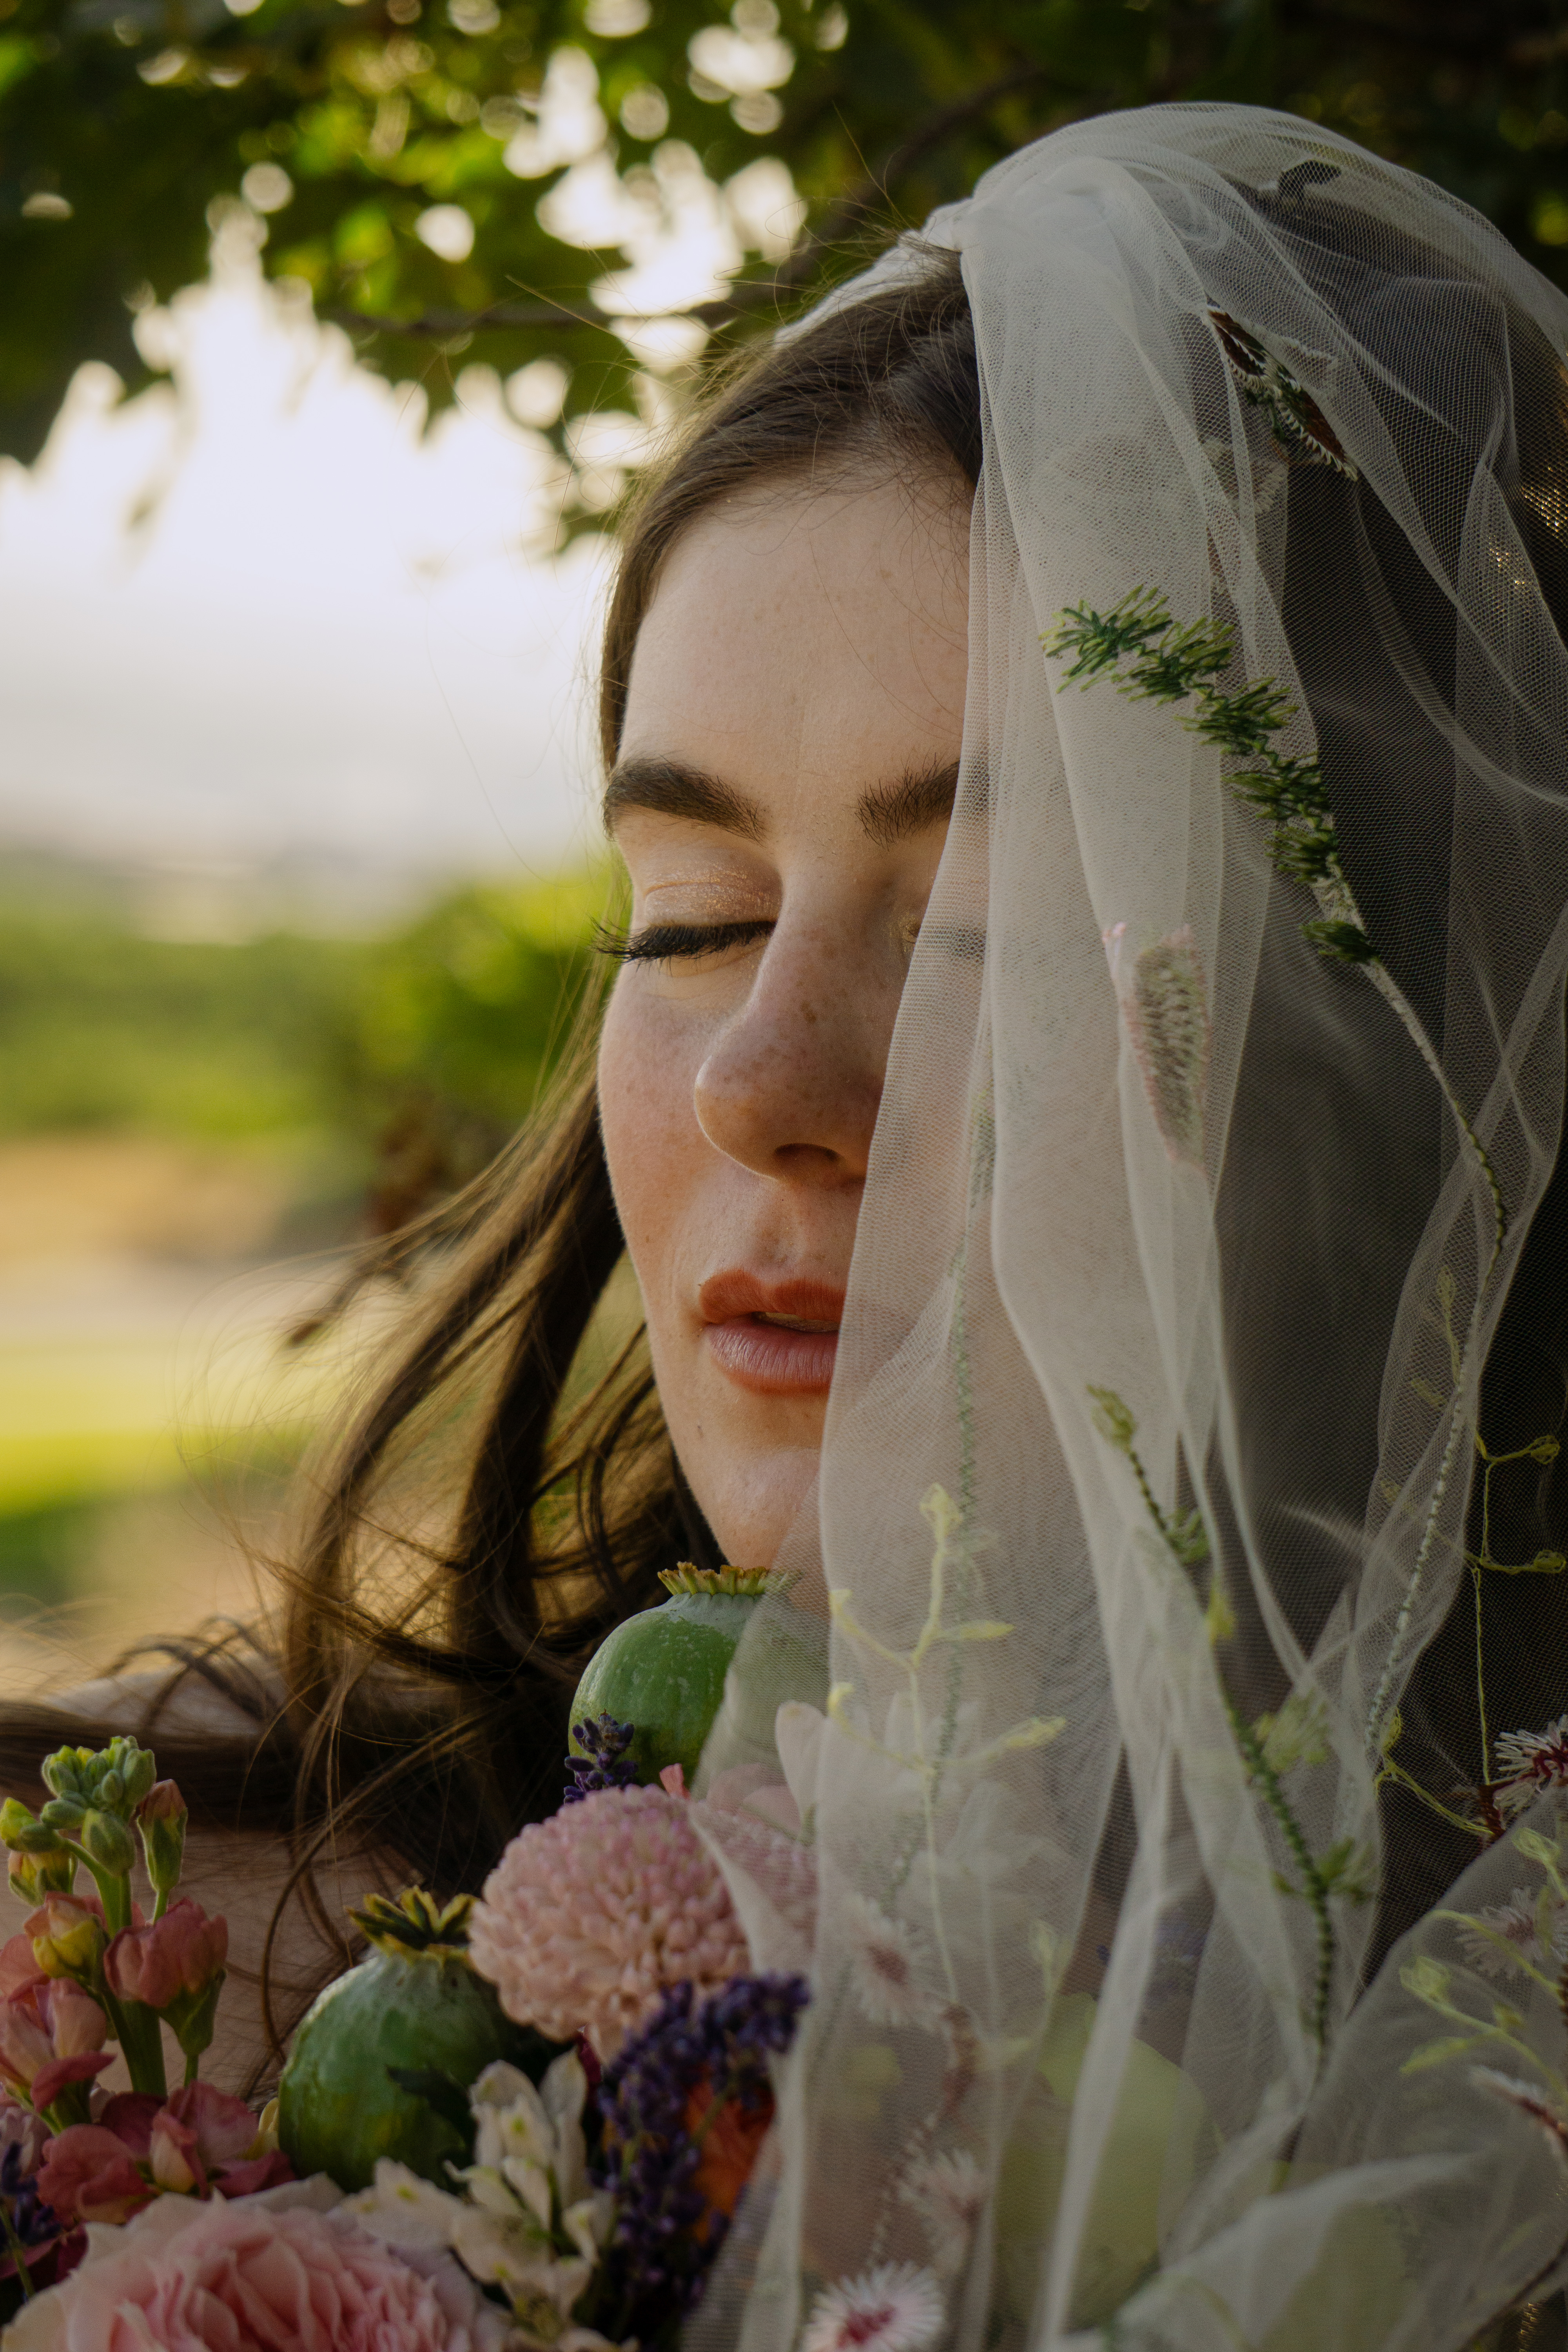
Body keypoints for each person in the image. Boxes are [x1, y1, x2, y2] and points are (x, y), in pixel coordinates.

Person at [10, 98, 1568, 2351]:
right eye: (691, 916)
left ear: (1399, 1080)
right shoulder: (169, 1975)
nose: (766, 1082)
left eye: (997, 932)